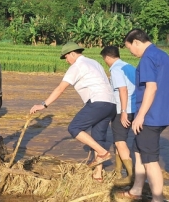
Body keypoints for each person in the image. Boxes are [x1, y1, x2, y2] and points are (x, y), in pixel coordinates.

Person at [29, 42, 116, 182]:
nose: (66, 61)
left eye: (66, 57)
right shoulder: (94, 63)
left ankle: (103, 153)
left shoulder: (77, 66)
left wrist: (43, 105)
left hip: (97, 101)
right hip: (111, 103)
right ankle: (98, 175)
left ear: (72, 53)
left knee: (74, 127)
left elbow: (60, 88)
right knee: (98, 137)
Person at [117, 29, 169, 202]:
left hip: (149, 117)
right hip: (160, 115)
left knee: (150, 160)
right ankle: (136, 190)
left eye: (130, 49)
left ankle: (158, 198)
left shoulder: (147, 58)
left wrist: (141, 115)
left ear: (136, 42)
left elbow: (151, 87)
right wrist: (166, 110)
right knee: (138, 151)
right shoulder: (164, 56)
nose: (131, 53)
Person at [100, 46, 136, 186]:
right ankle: (117, 171)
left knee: (120, 142)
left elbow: (123, 90)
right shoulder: (130, 67)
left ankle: (131, 176)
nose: (105, 62)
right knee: (118, 139)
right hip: (135, 108)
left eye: (105, 60)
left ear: (107, 57)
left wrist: (123, 111)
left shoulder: (116, 69)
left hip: (123, 109)